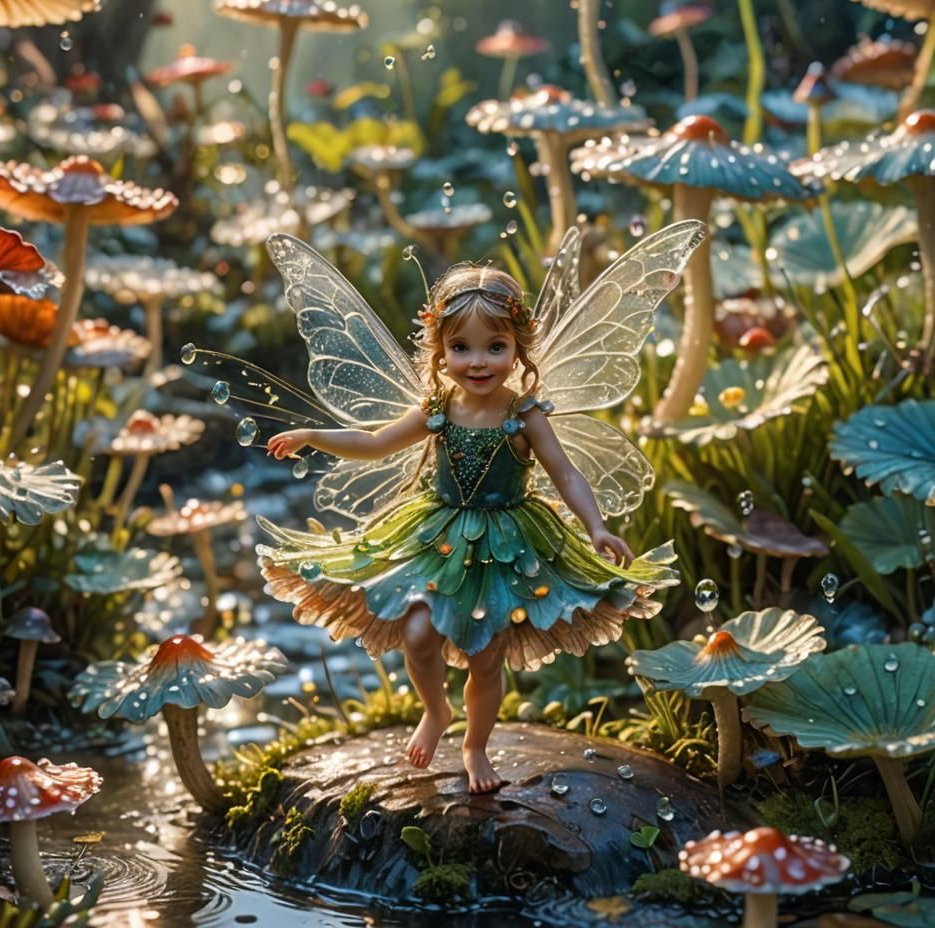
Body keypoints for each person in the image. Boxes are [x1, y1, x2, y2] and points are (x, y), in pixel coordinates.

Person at [255, 230, 697, 793]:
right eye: (461, 347)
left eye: (495, 346)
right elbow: (374, 442)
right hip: (436, 532)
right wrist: (315, 434)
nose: (478, 361)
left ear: (519, 349)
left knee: (486, 656)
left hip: (507, 540)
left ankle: (475, 745)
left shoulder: (524, 414)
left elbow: (564, 472)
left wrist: (596, 526)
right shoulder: (438, 409)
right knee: (417, 632)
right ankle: (436, 710)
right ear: (440, 352)